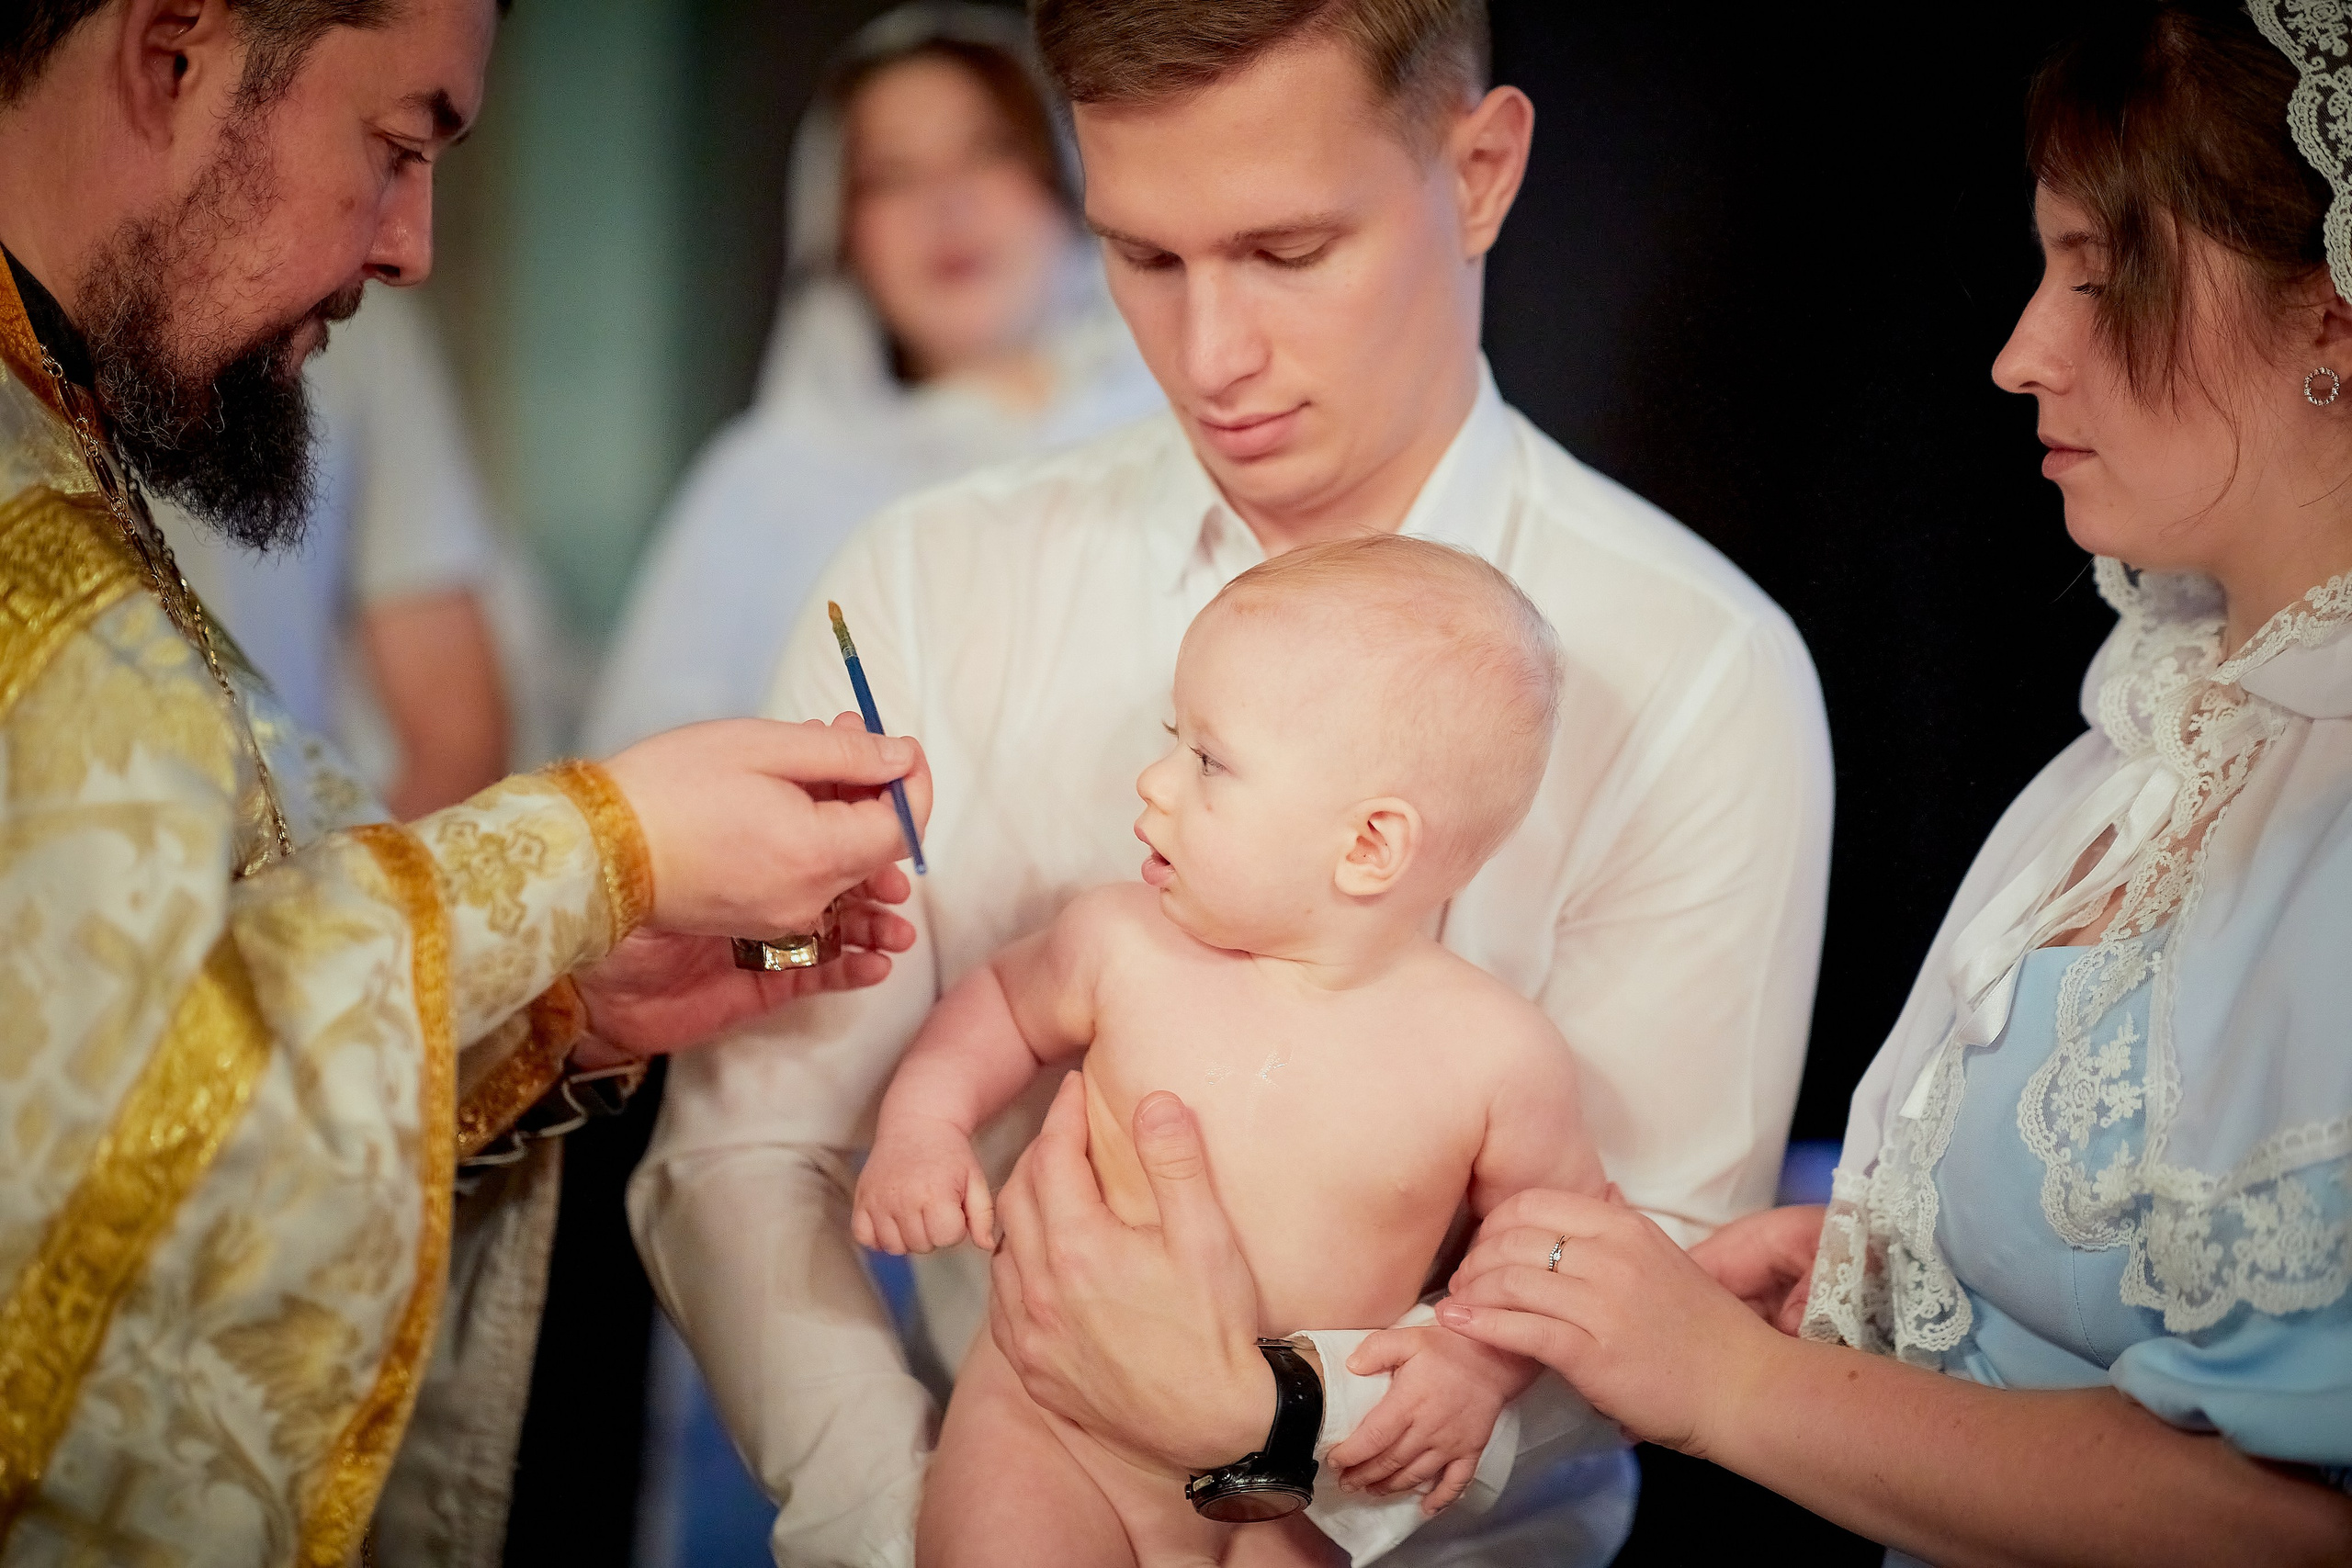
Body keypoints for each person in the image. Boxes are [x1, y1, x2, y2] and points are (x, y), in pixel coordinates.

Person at [628, 3, 1834, 1565]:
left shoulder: (1697, 673)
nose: (1211, 359)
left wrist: (1271, 1422)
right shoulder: (927, 584)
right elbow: (746, 1143)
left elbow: (1658, 1264)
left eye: (1285, 253)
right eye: (1144, 256)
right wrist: (896, 1512)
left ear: (1480, 171)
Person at [0, 5, 933, 1565]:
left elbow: (205, 983)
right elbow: (90, 1149)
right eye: (397, 146)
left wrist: (549, 998)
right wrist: (596, 845)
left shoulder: (58, 442)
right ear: (172, 59)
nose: (417, 245)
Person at [1425, 4, 2352, 1564]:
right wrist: (1897, 1288)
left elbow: (2286, 1517)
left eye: (2101, 273)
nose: (2017, 354)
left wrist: (1728, 1384)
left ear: (2328, 317)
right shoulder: (2133, 763)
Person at [855, 537, 1608, 1568]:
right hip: (1046, 1420)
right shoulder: (1121, 940)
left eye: (1207, 760)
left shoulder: (1495, 1058)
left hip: (1283, 1486)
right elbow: (997, 1003)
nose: (1153, 781)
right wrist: (922, 1127)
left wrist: (1472, 1365)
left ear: (1366, 846)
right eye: (1174, 739)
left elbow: (1556, 1243)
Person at [583, 2, 1162, 758]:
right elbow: (649, 774)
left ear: (1067, 178)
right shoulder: (766, 482)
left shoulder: (1184, 428)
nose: (945, 205)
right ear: (841, 235)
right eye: (892, 177)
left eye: (986, 150)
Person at [154, 284, 548, 818]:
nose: (411, 251)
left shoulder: (363, 322)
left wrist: (335, 899)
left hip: (294, 872)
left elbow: (456, 742)